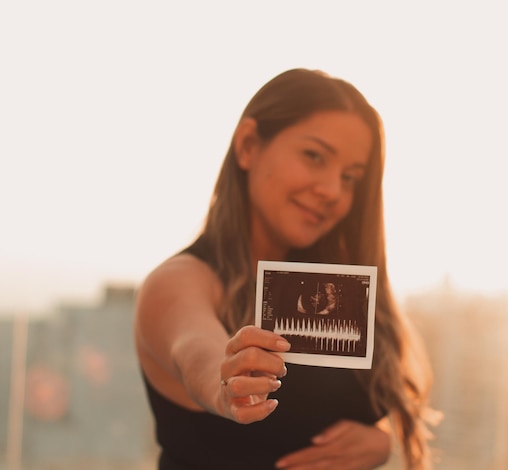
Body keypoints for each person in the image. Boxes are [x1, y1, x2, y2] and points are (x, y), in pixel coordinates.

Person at [134, 68, 436, 470]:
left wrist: (379, 443)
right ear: (247, 146)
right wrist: (227, 386)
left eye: (350, 178)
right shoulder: (181, 281)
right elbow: (198, 354)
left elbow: (328, 414)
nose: (333, 190)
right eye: (314, 157)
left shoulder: (331, 287)